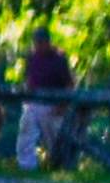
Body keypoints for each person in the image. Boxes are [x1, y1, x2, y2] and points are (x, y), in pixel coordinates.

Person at [16, 31, 74, 170]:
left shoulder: (59, 59)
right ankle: (27, 166)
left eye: (41, 42)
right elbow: (28, 79)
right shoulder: (32, 58)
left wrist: (63, 105)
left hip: (53, 104)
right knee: (26, 131)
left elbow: (69, 84)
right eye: (36, 43)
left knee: (54, 139)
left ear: (48, 42)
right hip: (34, 103)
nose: (38, 46)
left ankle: (58, 166)